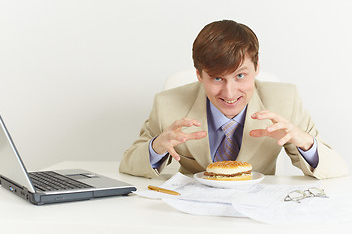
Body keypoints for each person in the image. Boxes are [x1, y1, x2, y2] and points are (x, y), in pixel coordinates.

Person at [119, 20, 349, 179]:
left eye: (240, 75)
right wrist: (157, 147)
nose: (229, 93)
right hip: (190, 214)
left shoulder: (285, 100)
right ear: (199, 74)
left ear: (256, 68)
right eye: (217, 78)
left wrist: (305, 142)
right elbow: (128, 163)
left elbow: (337, 169)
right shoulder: (167, 104)